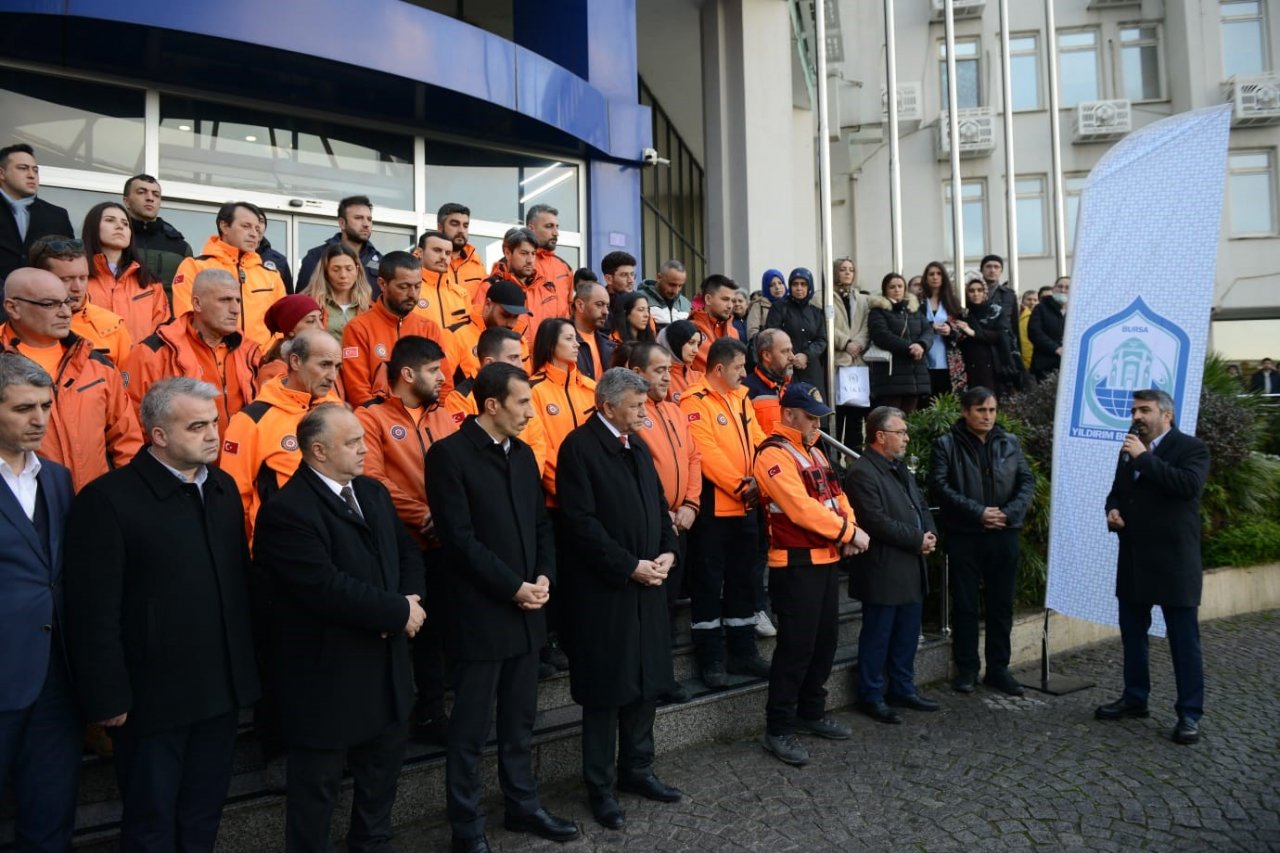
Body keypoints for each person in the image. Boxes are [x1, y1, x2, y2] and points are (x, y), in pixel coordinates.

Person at [64, 377, 260, 851]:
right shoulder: (108, 500)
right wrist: (107, 695)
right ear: (158, 435)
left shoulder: (222, 487)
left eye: (214, 422)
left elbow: (238, 583)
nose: (213, 434)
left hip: (219, 689)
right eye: (197, 426)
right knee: (151, 823)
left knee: (203, 814)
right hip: (151, 698)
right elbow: (93, 609)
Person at [253, 404, 425, 851]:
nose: (364, 448)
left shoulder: (372, 492)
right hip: (327, 679)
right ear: (318, 450)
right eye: (352, 443)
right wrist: (395, 612)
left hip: (386, 671)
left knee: (381, 779)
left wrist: (410, 602)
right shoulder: (288, 510)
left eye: (362, 440)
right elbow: (324, 587)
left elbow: (406, 553)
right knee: (317, 793)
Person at [425, 363, 579, 851]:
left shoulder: (526, 455)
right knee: (470, 730)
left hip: (528, 608)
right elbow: (459, 539)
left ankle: (523, 805)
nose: (530, 413)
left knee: (520, 721)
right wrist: (513, 586)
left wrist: (543, 579)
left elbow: (540, 527)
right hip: (480, 614)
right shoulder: (449, 456)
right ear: (491, 405)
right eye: (522, 404)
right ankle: (466, 827)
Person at [556, 368, 683, 828]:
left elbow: (659, 506)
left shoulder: (638, 447)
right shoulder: (579, 448)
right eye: (636, 406)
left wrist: (669, 550)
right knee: (606, 692)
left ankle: (638, 768)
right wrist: (628, 565)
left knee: (646, 684)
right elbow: (580, 524)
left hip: (649, 585)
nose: (644, 413)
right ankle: (601, 786)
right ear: (608, 406)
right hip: (606, 593)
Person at [754, 382, 868, 766]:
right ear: (789, 414)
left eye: (820, 417)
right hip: (795, 563)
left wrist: (848, 528)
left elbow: (838, 498)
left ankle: (811, 712)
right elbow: (800, 509)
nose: (817, 424)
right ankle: (779, 728)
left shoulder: (813, 450)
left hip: (824, 559)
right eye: (810, 417)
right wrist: (849, 533)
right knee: (795, 649)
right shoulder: (773, 453)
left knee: (824, 644)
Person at [355, 336, 459, 745]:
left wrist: (448, 518)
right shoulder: (371, 417)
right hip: (400, 544)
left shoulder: (445, 416)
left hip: (445, 542)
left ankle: (433, 713)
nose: (443, 378)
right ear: (408, 374)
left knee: (437, 634)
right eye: (434, 370)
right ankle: (393, 720)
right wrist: (425, 515)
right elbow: (372, 481)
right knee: (404, 633)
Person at [1097, 389, 1211, 745]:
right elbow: (1118, 491)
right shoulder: (1130, 448)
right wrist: (1112, 510)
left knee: (1183, 641)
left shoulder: (1192, 449)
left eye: (1145, 410)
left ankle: (1189, 714)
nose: (1137, 416)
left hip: (1174, 562)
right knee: (1133, 634)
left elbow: (1187, 486)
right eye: (1134, 410)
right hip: (1133, 558)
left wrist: (1144, 457)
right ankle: (1135, 698)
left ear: (1167, 415)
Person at [0, 353, 79, 853]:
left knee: (50, 819)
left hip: (55, 680)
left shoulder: (56, 476)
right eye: (23, 408)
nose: (39, 420)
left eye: (46, 406)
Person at [929, 387, 1034, 696]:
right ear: (965, 411)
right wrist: (978, 513)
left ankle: (999, 669)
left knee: (1002, 604)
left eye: (992, 410)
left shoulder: (1009, 441)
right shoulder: (946, 444)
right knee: (965, 605)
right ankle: (967, 669)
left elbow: (1026, 481)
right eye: (981, 410)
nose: (988, 416)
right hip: (966, 535)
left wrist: (1007, 513)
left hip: (1005, 533)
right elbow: (940, 486)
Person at [679, 336, 771, 687]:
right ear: (718, 368)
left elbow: (760, 441)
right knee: (708, 583)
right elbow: (706, 453)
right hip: (715, 510)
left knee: (744, 581)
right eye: (739, 368)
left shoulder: (741, 399)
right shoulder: (694, 401)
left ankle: (744, 652)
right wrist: (741, 484)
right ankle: (711, 659)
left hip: (747, 505)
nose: (744, 374)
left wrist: (761, 480)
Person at [0, 267, 142, 491]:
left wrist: (130, 496)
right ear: (13, 307)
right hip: (21, 511)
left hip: (95, 505)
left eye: (67, 302)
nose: (66, 312)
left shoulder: (97, 364)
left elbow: (126, 441)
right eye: (50, 304)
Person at [844, 406, 941, 726]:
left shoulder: (898, 467)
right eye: (901, 432)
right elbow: (875, 521)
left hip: (910, 566)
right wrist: (917, 539)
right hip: (883, 569)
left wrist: (929, 534)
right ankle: (871, 695)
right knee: (878, 635)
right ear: (880, 436)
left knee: (906, 634)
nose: (906, 438)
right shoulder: (862, 472)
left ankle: (903, 687)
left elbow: (920, 505)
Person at [220, 328, 342, 540]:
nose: (332, 376)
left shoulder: (336, 408)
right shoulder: (252, 420)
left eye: (337, 367)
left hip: (338, 537)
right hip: (284, 544)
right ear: (295, 362)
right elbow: (235, 499)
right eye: (324, 365)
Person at [628, 343, 701, 678]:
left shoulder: (674, 410)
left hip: (681, 523)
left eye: (668, 371)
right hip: (652, 525)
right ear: (637, 372)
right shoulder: (631, 415)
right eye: (659, 371)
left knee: (670, 605)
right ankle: (652, 676)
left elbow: (693, 458)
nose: (666, 378)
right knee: (651, 608)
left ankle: (664, 674)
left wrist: (690, 503)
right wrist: (664, 514)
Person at [123, 268, 262, 432]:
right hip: (178, 457)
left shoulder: (250, 351)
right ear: (197, 303)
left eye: (238, 301)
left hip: (241, 456)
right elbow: (131, 423)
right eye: (225, 300)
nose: (235, 309)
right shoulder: (153, 353)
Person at [340, 251, 460, 406]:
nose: (412, 294)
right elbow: (358, 391)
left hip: (426, 421)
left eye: (417, 286)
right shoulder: (358, 328)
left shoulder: (429, 328)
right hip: (377, 421)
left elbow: (444, 385)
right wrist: (386, 422)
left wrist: (437, 417)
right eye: (404, 287)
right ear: (382, 284)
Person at [173, 201, 288, 348]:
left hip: (262, 362)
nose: (254, 234)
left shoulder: (272, 276)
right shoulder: (194, 267)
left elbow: (282, 324)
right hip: (212, 359)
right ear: (225, 226)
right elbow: (186, 319)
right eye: (246, 226)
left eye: (257, 229)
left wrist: (269, 356)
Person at [28, 235, 132, 366]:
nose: (77, 288)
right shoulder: (12, 330)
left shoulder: (113, 326)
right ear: (38, 278)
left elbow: (127, 381)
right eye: (66, 279)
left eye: (83, 278)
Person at [82, 201, 171, 343]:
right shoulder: (77, 277)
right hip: (88, 363)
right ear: (93, 227)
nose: (119, 226)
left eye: (125, 223)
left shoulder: (149, 282)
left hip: (138, 363)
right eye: (110, 220)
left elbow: (162, 331)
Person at [0, 144, 75, 294]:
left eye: (35, 170)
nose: (31, 175)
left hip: (43, 303)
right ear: (2, 173)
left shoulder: (57, 215)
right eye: (23, 168)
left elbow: (69, 262)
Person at [473, 227, 564, 347]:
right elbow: (478, 332)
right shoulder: (490, 287)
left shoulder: (548, 290)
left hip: (542, 364)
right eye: (524, 253)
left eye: (533, 254)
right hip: (509, 360)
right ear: (507, 253)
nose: (530, 260)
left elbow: (560, 332)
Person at [867, 272, 932, 414]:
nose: (897, 290)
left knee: (910, 422)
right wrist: (909, 348)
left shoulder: (914, 310)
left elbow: (928, 331)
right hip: (890, 378)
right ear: (885, 290)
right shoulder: (878, 311)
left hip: (915, 375)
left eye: (900, 286)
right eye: (892, 287)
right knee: (890, 418)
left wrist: (922, 345)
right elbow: (881, 336)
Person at [296, 195, 383, 297]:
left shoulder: (380, 261)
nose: (366, 224)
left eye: (369, 219)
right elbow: (302, 301)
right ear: (342, 223)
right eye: (358, 218)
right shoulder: (317, 256)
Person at [450, 280, 530, 390]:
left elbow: (525, 386)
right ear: (488, 305)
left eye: (515, 317)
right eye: (505, 315)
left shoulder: (520, 341)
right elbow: (443, 387)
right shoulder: (456, 335)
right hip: (466, 405)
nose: (511, 323)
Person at [122, 174, 192, 294]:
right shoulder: (113, 239)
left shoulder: (180, 247)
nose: (150, 198)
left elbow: (188, 291)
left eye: (156, 194)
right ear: (126, 201)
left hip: (168, 312)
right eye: (141, 192)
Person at [832, 256, 870, 451]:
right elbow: (826, 325)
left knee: (856, 418)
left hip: (857, 364)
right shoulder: (824, 297)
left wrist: (858, 343)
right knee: (837, 416)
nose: (847, 272)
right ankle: (835, 462)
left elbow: (866, 326)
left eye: (851, 269)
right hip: (837, 364)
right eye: (843, 269)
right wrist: (845, 342)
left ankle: (853, 460)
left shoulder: (862, 299)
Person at [951, 277, 1015, 395]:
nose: (976, 294)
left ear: (985, 292)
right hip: (968, 363)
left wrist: (974, 333)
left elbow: (1001, 335)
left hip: (992, 362)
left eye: (980, 290)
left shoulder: (995, 311)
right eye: (972, 290)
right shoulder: (963, 314)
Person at [765, 268, 826, 388]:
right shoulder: (779, 308)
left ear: (809, 287)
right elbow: (772, 334)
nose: (799, 288)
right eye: (795, 284)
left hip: (811, 369)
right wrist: (791, 356)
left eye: (803, 284)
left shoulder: (816, 312)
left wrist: (806, 356)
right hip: (785, 368)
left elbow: (821, 339)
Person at [301, 242, 373, 340]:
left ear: (357, 270)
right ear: (325, 272)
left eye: (349, 269)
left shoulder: (370, 307)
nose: (343, 275)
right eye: (336, 269)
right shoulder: (309, 304)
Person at [256, 294, 328, 389]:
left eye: (320, 319)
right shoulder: (274, 372)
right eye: (310, 321)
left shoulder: (328, 359)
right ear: (290, 331)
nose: (321, 327)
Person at [919, 261, 963, 399]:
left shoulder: (952, 301)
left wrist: (950, 329)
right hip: (923, 358)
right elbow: (911, 325)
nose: (935, 277)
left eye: (938, 274)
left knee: (945, 400)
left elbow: (962, 328)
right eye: (931, 274)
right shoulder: (917, 301)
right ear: (926, 278)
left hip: (948, 358)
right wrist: (930, 326)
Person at [415, 229, 471, 333]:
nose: (443, 257)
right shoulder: (410, 289)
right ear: (419, 252)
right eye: (437, 250)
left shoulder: (461, 294)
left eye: (448, 253)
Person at [744, 328, 794, 438]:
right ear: (767, 356)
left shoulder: (793, 389)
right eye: (785, 351)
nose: (792, 357)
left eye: (791, 350)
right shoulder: (745, 391)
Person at [525, 204, 575, 314]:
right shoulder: (515, 264)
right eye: (549, 226)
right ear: (531, 229)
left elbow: (569, 310)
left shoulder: (564, 268)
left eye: (557, 227)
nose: (556, 233)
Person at [435, 202, 488, 301]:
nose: (461, 230)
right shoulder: (425, 261)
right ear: (440, 227)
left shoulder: (477, 264)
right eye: (455, 224)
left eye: (465, 225)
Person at [689, 274, 740, 373]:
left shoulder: (734, 332)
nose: (730, 306)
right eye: (725, 299)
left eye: (732, 301)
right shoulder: (690, 328)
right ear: (708, 299)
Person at [571, 280, 615, 380]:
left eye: (607, 306)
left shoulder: (609, 345)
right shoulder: (562, 343)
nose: (606, 312)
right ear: (580, 305)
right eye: (599, 304)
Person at [1028, 276, 1069, 381]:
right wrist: (1056, 349)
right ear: (1054, 288)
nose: (1063, 290)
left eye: (1067, 287)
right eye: (1060, 286)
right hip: (1045, 365)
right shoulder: (1041, 308)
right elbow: (1034, 332)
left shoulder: (1077, 309)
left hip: (1068, 365)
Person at [659, 319, 704, 403]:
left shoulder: (700, 376)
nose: (696, 350)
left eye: (698, 344)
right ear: (676, 342)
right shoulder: (660, 378)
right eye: (691, 343)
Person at [638, 260, 690, 331]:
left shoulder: (686, 304)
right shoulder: (638, 299)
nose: (676, 291)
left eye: (680, 286)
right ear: (659, 277)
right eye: (672, 285)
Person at [747, 269, 786, 343]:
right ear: (766, 287)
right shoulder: (759, 305)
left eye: (780, 283)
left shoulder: (791, 303)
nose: (777, 287)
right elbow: (752, 332)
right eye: (772, 285)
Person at [1017, 288, 1043, 372]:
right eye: (1029, 299)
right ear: (1023, 301)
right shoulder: (1018, 315)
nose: (1032, 302)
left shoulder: (1041, 317)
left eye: (1035, 300)